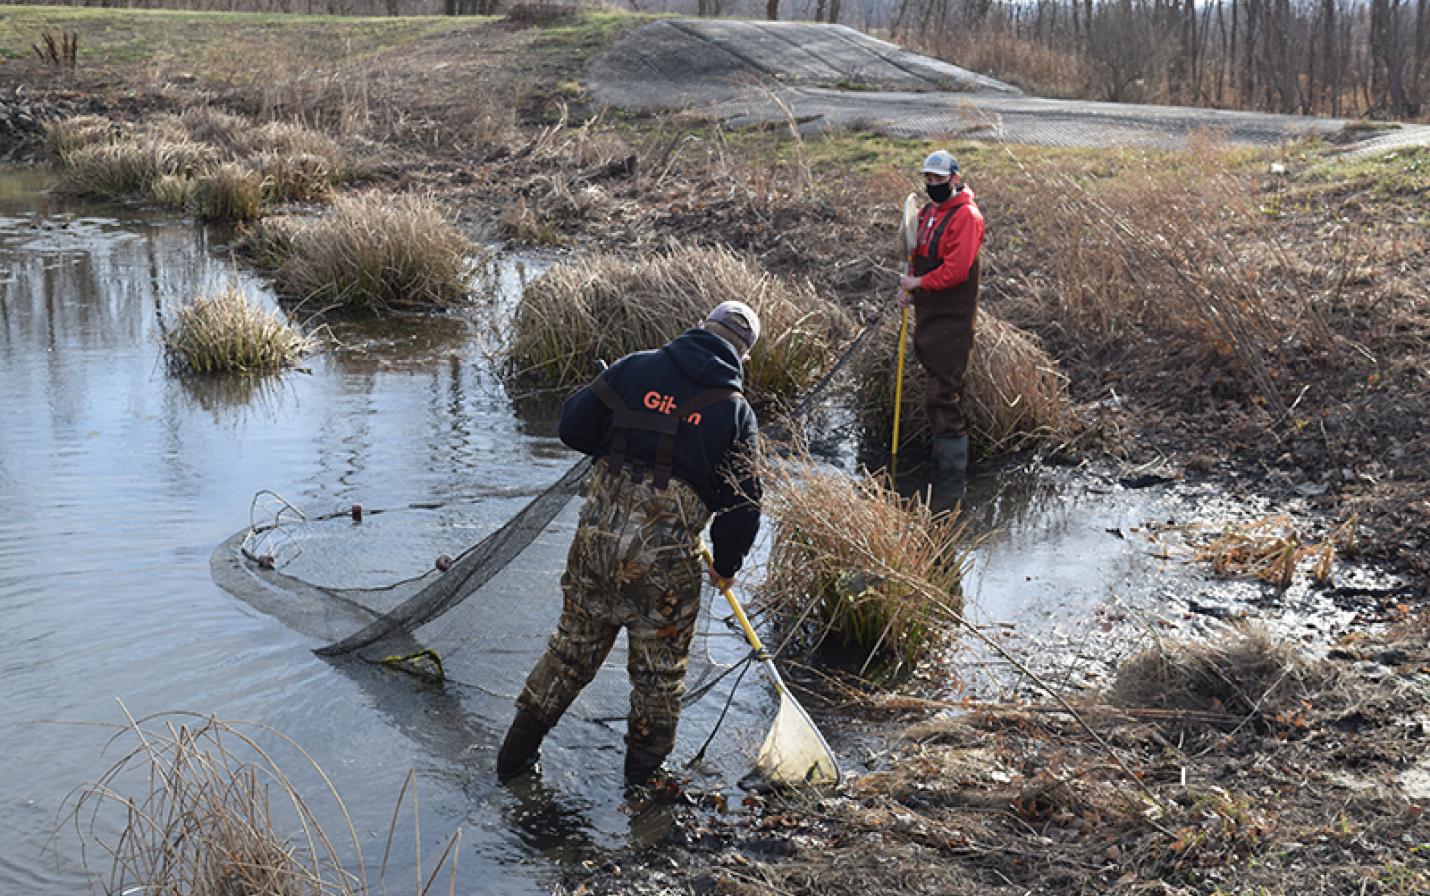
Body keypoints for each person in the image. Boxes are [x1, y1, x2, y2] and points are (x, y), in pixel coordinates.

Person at [496, 301, 763, 787]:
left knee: (569, 654)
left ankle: (512, 763)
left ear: (700, 325)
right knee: (658, 679)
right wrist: (726, 566)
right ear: (743, 358)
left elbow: (571, 428)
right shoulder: (734, 411)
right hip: (663, 568)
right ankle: (641, 792)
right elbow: (744, 507)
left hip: (593, 546)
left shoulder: (633, 366)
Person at [898, 149, 986, 502]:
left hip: (952, 317)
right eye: (928, 178)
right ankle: (939, 468)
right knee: (932, 384)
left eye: (939, 178)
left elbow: (956, 270)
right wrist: (907, 288)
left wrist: (918, 285)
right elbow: (915, 256)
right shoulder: (928, 212)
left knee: (944, 393)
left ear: (954, 177)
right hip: (928, 314)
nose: (932, 184)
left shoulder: (967, 216)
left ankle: (950, 482)